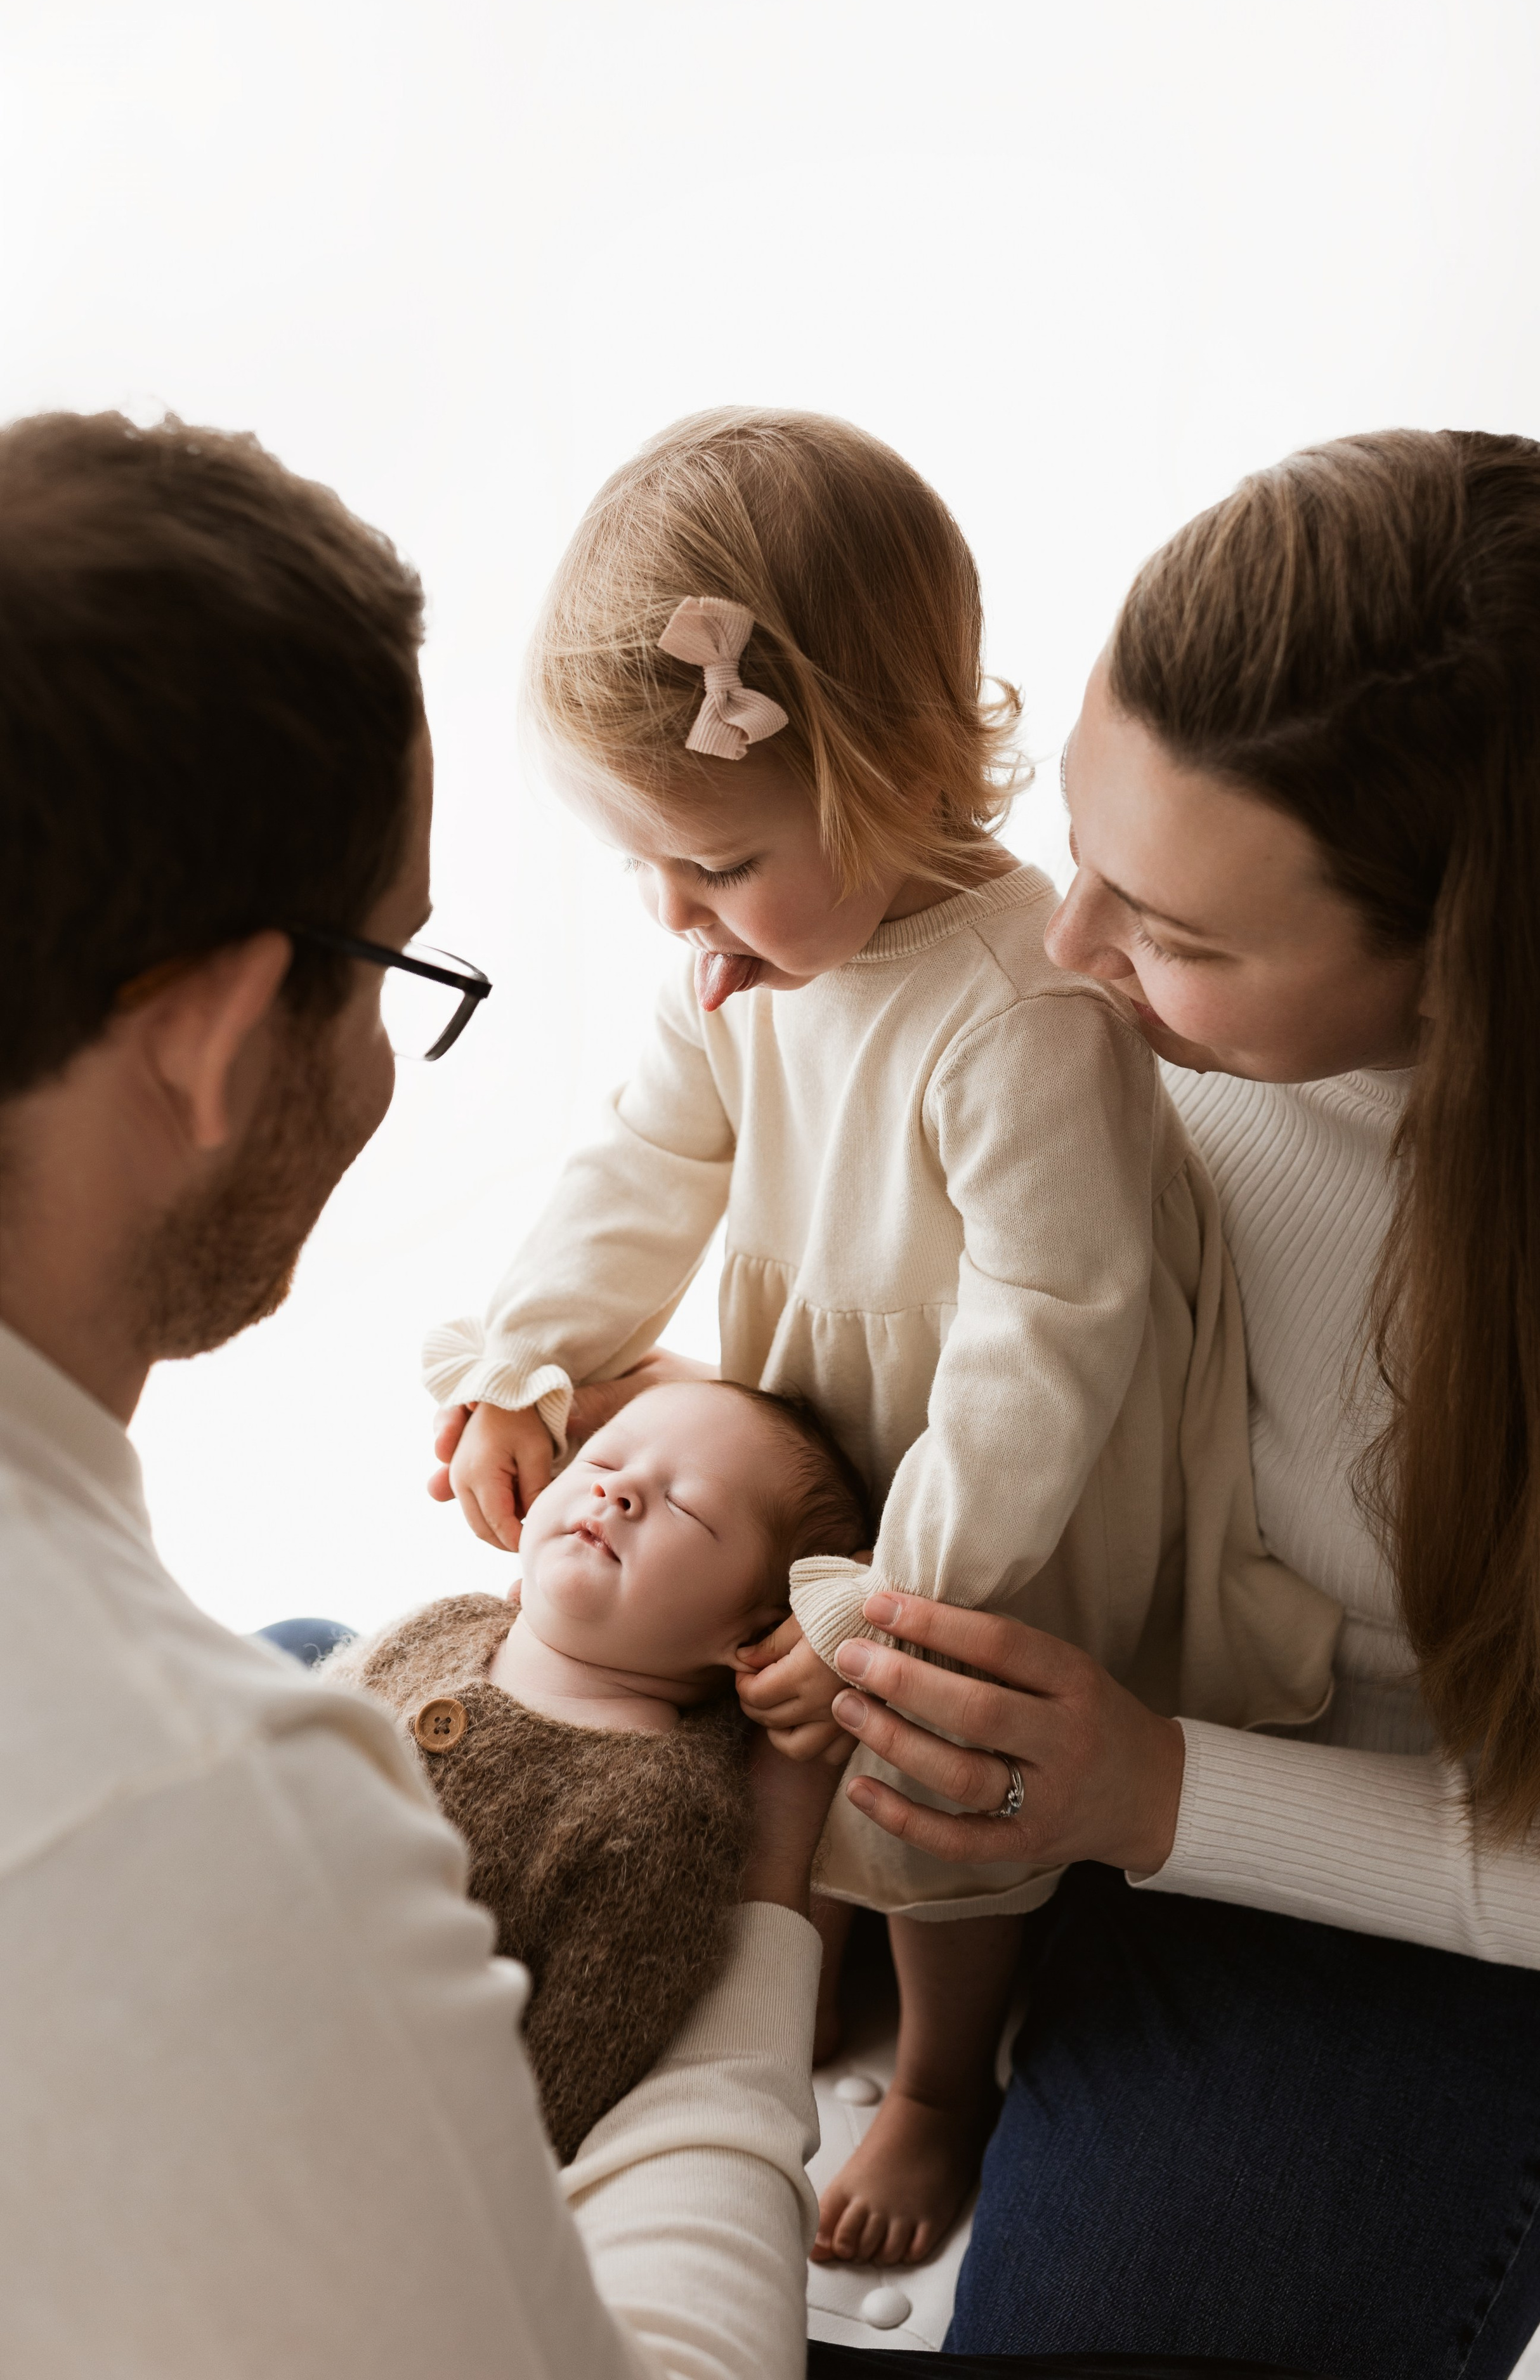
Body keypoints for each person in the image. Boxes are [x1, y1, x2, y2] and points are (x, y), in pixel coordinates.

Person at [424, 406, 1338, 2268]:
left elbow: (1045, 1340)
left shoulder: (1023, 1011)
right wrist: (524, 1356)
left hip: (987, 1494)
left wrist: (898, 1596)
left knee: (929, 1798)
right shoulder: (743, 965)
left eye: (718, 860)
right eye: (651, 872)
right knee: (742, 1726)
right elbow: (644, 1155)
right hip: (812, 1415)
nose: (680, 915)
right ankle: (778, 1960)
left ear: (894, 768)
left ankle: (941, 2068)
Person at [0, 407, 853, 2380]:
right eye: (399, 966)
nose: (390, 1062)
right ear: (214, 1033)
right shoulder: (209, 1810)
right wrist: (768, 1916)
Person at [813, 431, 1540, 2378]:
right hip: (1023, 1710)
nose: (1068, 948)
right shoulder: (1065, 990)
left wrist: (1151, 1788)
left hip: (1421, 1853)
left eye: (1174, 933)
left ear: (1472, 957)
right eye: (1077, 843)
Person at [327, 1380, 870, 2161]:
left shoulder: (661, 1813)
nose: (616, 1490)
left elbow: (568, 2070)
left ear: (757, 1629)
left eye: (685, 1507)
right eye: (602, 1460)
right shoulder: (444, 1623)